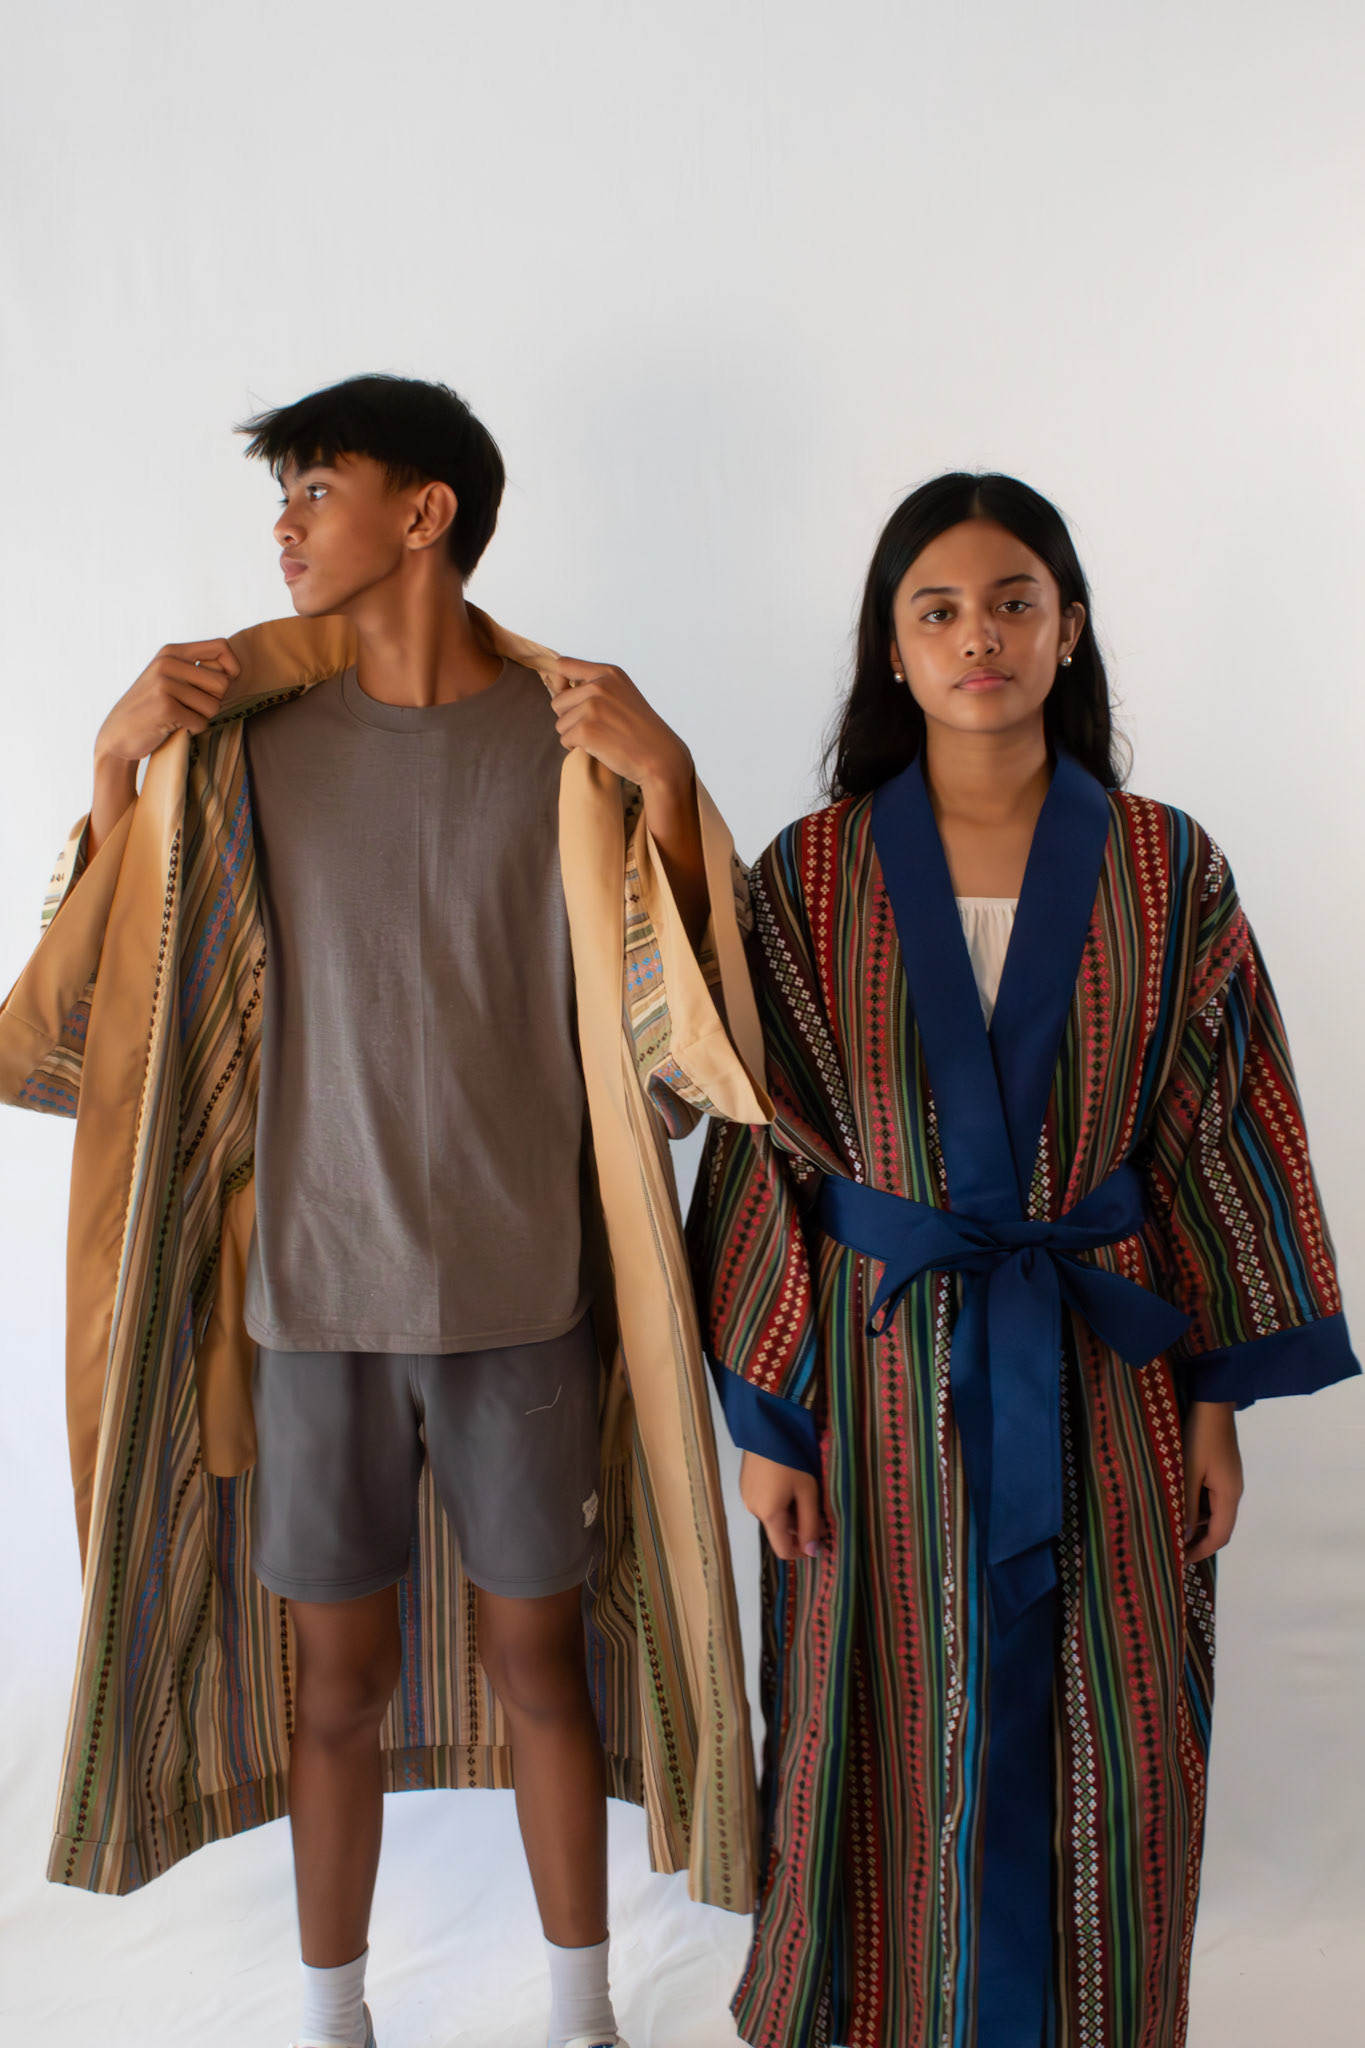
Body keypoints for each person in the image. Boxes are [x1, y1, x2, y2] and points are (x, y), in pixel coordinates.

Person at [0, 374, 770, 2048]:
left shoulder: (567, 749)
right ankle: (331, 2018)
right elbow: (122, 1011)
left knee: (541, 1669)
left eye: (314, 488)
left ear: (424, 514)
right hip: (306, 1304)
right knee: (331, 1691)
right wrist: (115, 763)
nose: (283, 527)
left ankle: (581, 2016)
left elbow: (694, 1045)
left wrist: (668, 781)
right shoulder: (241, 751)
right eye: (282, 496)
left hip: (525, 1298)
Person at [688, 471, 1358, 2048]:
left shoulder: (1164, 866)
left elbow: (1218, 1135)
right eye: (937, 610)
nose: (976, 636)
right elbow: (761, 1144)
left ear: (1068, 630)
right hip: (875, 1377)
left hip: (1102, 1380)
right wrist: (771, 1422)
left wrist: (1212, 1402)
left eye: (1011, 603)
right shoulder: (810, 873)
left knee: (1111, 1713)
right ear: (893, 646)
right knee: (873, 1704)